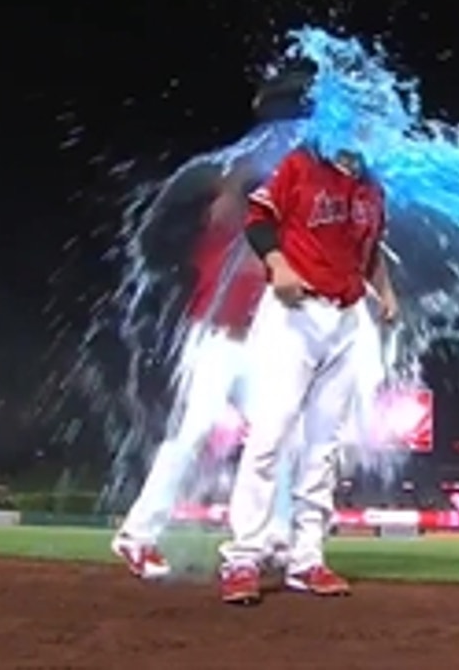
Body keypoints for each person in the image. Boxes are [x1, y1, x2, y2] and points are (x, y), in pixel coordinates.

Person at [110, 69, 312, 580]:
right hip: (216, 341)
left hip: (261, 343)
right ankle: (137, 536)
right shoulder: (231, 201)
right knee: (193, 432)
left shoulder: (271, 214)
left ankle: (275, 538)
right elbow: (233, 190)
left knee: (276, 438)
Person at [217, 142, 397, 605]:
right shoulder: (302, 163)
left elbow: (371, 251)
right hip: (293, 311)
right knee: (269, 436)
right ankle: (242, 558)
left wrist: (387, 293)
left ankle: (306, 559)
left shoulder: (373, 188)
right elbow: (258, 219)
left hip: (348, 317)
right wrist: (277, 264)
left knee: (324, 446)